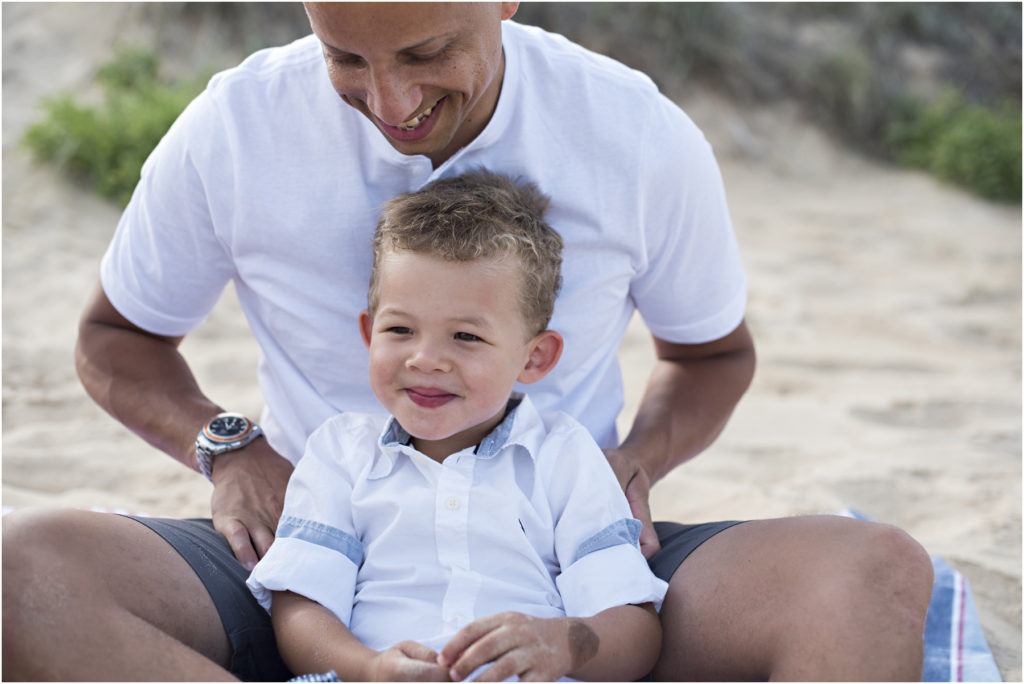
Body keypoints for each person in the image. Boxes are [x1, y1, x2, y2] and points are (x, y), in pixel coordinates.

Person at [2, 3, 934, 681]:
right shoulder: (236, 126)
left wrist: (635, 463)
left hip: (569, 541)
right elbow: (114, 337)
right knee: (24, 572)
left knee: (871, 573)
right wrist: (229, 450)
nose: (391, 100)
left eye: (426, 52)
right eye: (345, 59)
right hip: (305, 544)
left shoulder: (633, 129)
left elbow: (712, 355)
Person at [247, 169, 667, 682]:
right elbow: (302, 608)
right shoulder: (341, 452)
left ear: (534, 357)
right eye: (400, 329)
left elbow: (636, 627)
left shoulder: (565, 455)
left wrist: (566, 644)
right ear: (368, 332)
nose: (426, 359)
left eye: (465, 337)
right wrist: (370, 669)